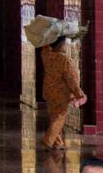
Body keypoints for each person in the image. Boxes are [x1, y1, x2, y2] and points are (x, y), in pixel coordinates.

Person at [28, 17, 86, 150]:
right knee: (59, 118)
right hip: (61, 94)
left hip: (49, 91)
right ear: (61, 45)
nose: (66, 45)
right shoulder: (64, 60)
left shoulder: (46, 55)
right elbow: (72, 79)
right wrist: (79, 93)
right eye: (65, 43)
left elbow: (44, 46)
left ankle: (58, 142)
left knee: (54, 116)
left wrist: (48, 36)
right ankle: (48, 141)